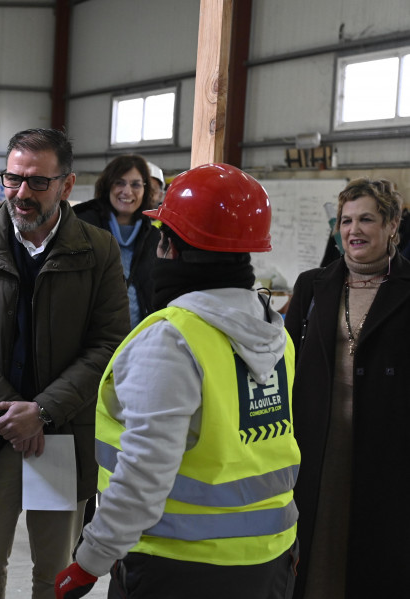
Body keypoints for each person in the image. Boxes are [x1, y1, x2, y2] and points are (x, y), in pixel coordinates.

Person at [56, 163, 300, 599]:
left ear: (170, 247)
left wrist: (91, 559)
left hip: (180, 566)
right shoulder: (274, 332)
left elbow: (143, 472)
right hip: (270, 558)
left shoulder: (172, 339)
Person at [0, 127, 129, 599]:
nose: (21, 193)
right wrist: (13, 411)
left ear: (67, 185)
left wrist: (43, 410)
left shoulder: (98, 252)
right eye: (13, 178)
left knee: (54, 574)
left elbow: (109, 344)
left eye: (36, 182)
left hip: (60, 436)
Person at [283, 178, 410, 599]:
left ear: (393, 224)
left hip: (389, 446)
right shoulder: (312, 285)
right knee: (316, 548)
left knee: (377, 554)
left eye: (367, 219)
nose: (353, 230)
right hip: (318, 441)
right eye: (346, 220)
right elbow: (286, 361)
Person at [74, 154, 161, 329]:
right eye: (119, 183)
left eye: (136, 184)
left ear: (145, 190)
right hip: (92, 338)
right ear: (107, 186)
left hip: (139, 339)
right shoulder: (81, 227)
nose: (127, 191)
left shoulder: (153, 237)